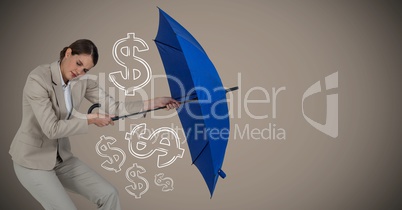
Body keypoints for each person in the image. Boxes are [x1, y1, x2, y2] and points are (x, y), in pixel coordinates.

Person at [9, 39, 180, 210]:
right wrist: (90, 119)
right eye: (78, 63)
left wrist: (155, 102)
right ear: (68, 53)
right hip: (32, 160)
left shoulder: (83, 81)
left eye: (85, 69)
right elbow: (51, 129)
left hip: (61, 159)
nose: (79, 71)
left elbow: (115, 107)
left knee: (109, 195)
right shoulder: (38, 79)